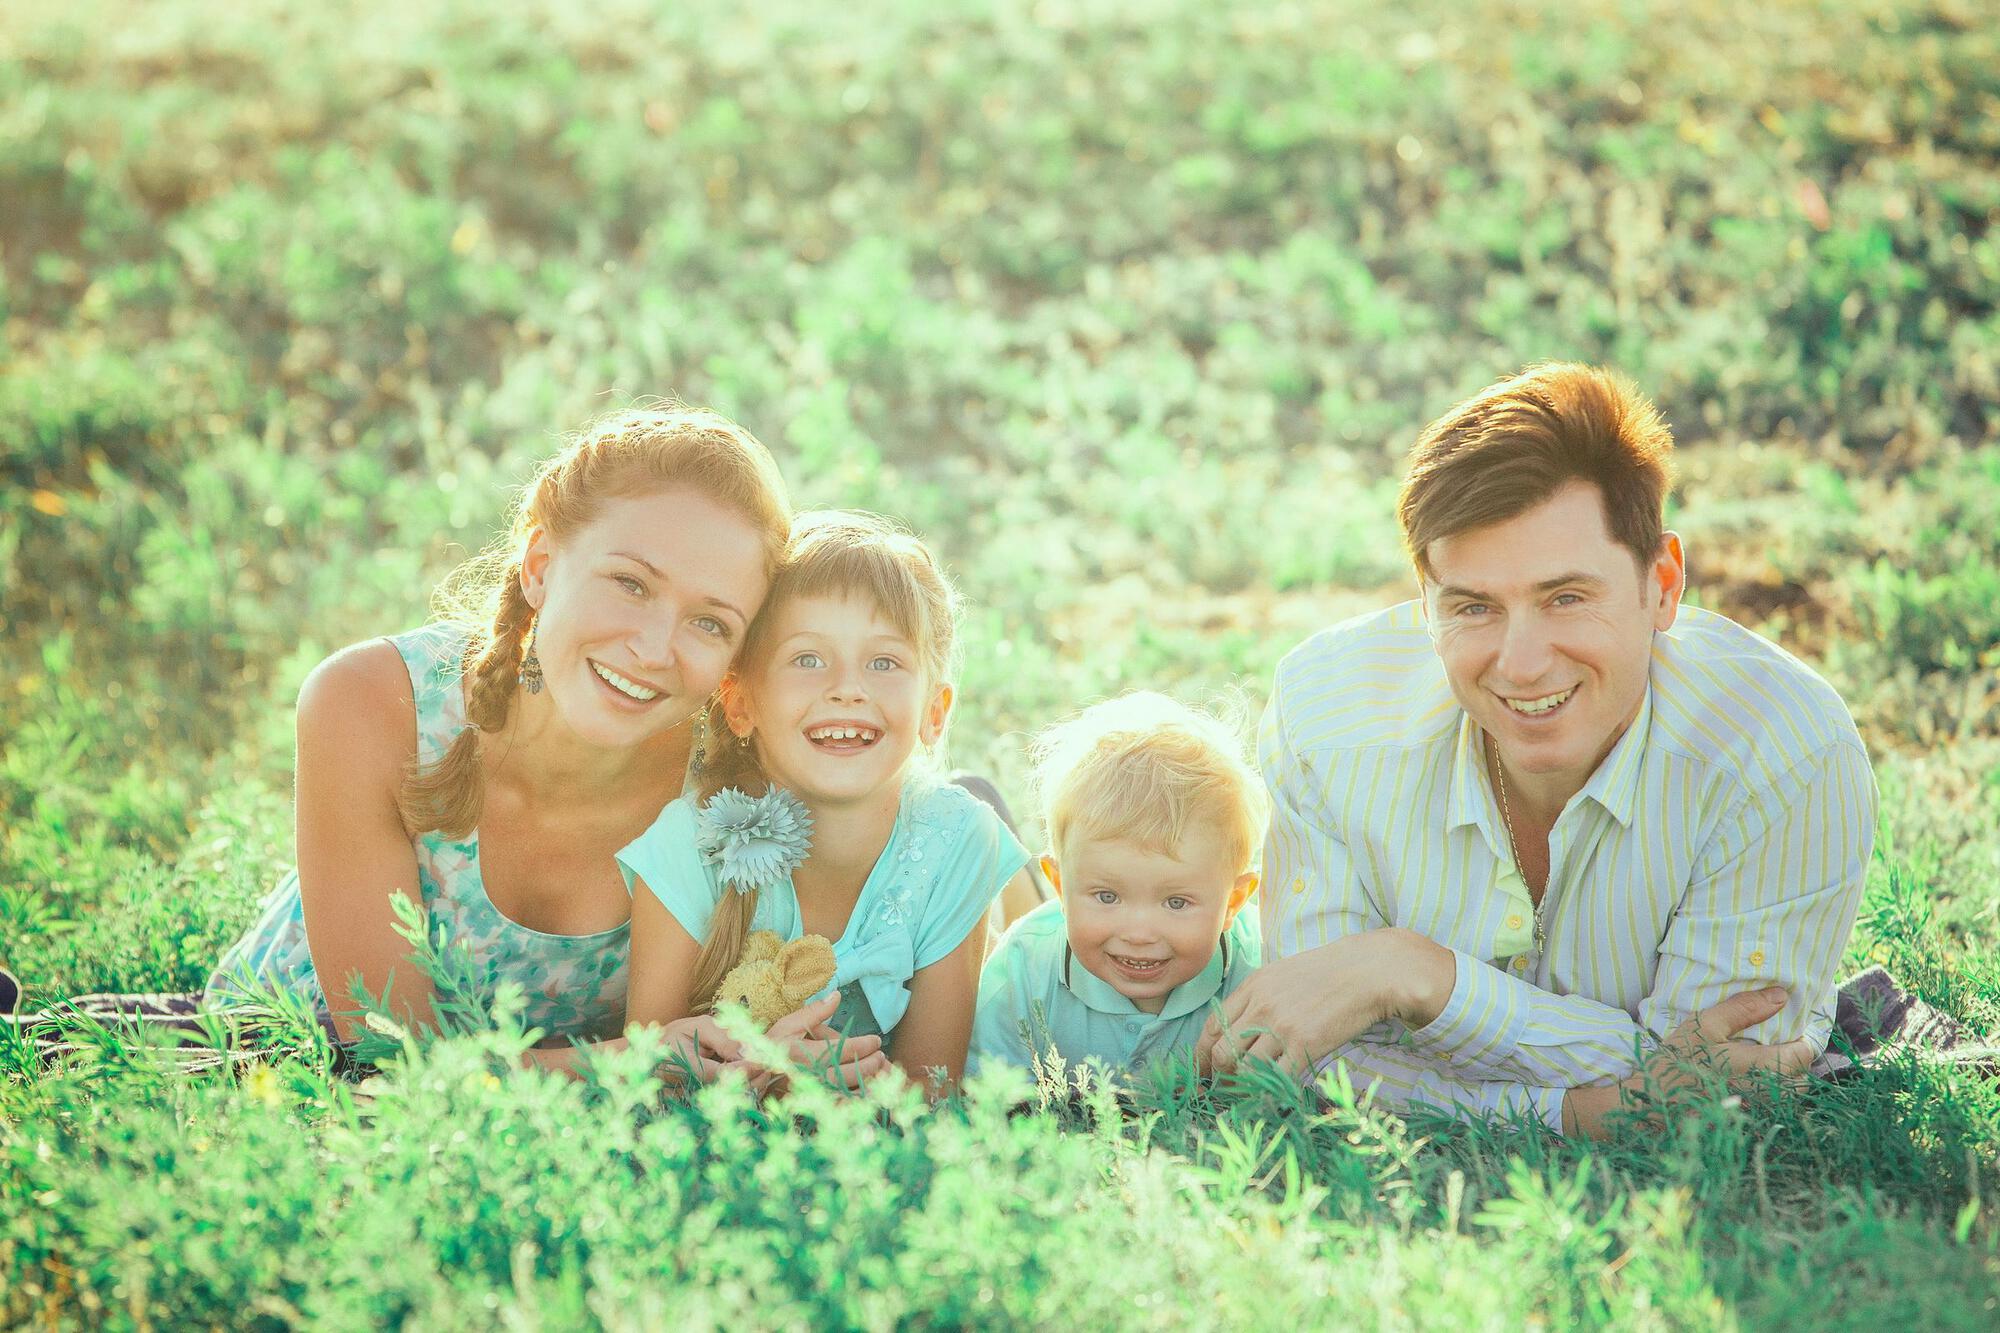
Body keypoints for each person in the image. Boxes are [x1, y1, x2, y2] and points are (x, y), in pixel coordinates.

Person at [13, 405, 803, 1081]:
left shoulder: (734, 800)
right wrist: (639, 1062)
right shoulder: (373, 702)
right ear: (540, 566)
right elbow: (386, 1060)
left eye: (710, 623)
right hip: (256, 1065)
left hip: (516, 1145)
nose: (655, 647)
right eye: (630, 583)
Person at [1199, 364, 1877, 1137]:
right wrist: (1586, 1112)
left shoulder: (1783, 755)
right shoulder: (1327, 719)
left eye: (1566, 597)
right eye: (1473, 607)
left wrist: (1416, 975)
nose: (1521, 664)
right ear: (1426, 603)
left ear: (1662, 583)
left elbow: (1721, 1083)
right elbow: (1314, 1048)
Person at [618, 510, 1035, 1096]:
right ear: (740, 704)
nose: (848, 688)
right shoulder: (689, 844)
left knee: (1037, 948)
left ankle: (1029, 900)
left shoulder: (960, 841)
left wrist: (848, 1098)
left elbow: (934, 1088)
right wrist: (764, 1083)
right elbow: (651, 1078)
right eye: (808, 658)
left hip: (957, 850)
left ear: (934, 712)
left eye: (884, 662)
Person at [967, 692, 1265, 1082]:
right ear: (1060, 885)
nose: (1138, 934)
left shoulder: (1259, 976)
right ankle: (984, 830)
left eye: (1176, 902)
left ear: (1234, 901)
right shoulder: (1022, 973)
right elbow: (985, 1093)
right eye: (1107, 897)